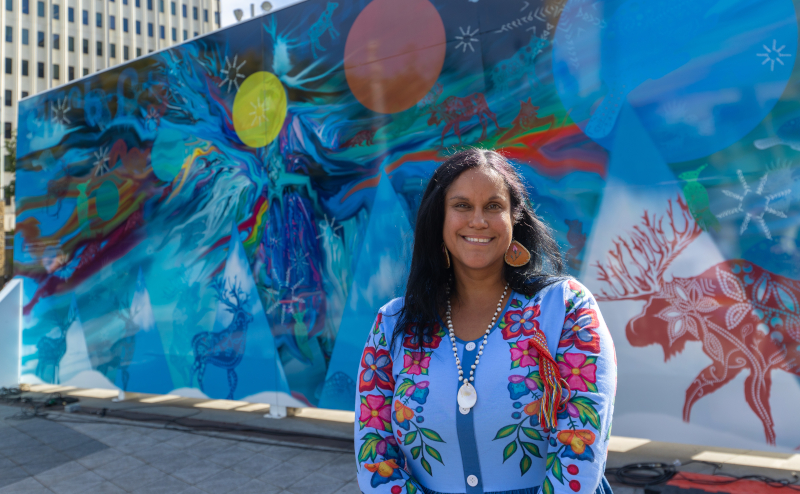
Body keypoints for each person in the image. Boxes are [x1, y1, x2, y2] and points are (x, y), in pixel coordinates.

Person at [354, 148, 616, 494]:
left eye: (494, 206)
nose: (478, 220)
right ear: (440, 220)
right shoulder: (392, 325)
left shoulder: (566, 308)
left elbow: (581, 447)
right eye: (462, 206)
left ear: (514, 219)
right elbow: (374, 453)